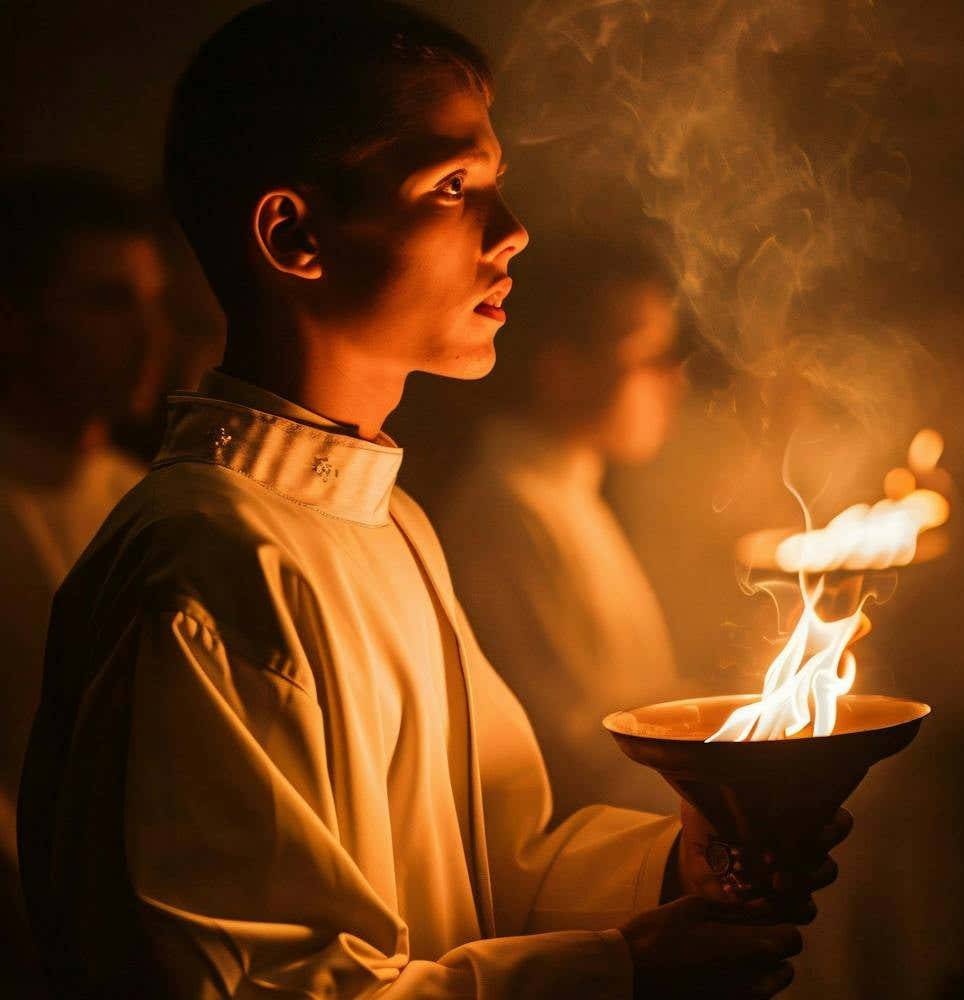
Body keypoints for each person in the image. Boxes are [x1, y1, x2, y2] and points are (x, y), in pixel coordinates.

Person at [18, 3, 846, 997]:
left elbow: (494, 861)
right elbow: (255, 984)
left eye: (495, 183)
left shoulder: (388, 520)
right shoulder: (207, 560)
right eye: (452, 186)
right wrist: (616, 971)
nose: (512, 230)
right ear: (295, 234)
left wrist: (676, 863)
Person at [438, 233, 687, 822]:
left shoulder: (570, 495)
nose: (675, 381)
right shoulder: (505, 513)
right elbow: (579, 753)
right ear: (560, 368)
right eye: (647, 357)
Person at [0, 165, 170, 994]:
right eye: (107, 302)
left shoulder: (143, 497)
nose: (148, 336)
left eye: (153, 302)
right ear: (16, 322)